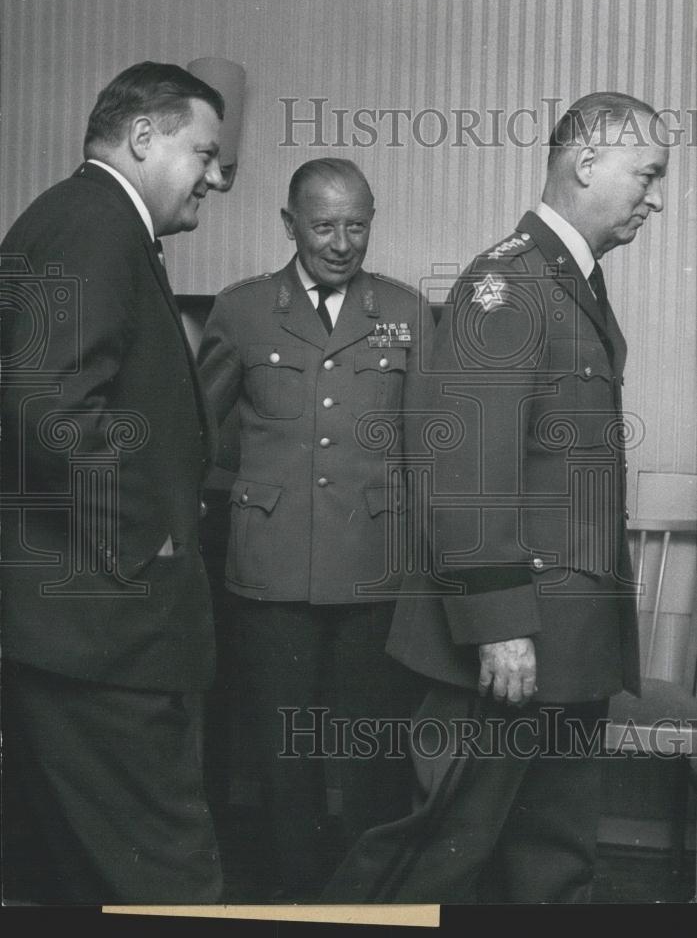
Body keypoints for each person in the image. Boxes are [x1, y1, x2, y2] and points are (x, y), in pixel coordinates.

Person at [322, 92, 670, 903]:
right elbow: (462, 472)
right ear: (586, 164)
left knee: (550, 864)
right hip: (513, 643)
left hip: (567, 636)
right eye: (647, 174)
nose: (655, 197)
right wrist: (500, 625)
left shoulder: (566, 282)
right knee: (433, 857)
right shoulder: (507, 284)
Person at [1, 61, 228, 904]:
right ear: (144, 137)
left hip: (79, 628)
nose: (214, 176)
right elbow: (50, 405)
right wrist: (152, 538)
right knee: (169, 880)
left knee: (83, 880)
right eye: (204, 152)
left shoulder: (80, 220)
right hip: (107, 631)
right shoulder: (97, 222)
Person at [197, 158, 434, 901]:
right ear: (289, 224)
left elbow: (427, 444)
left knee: (373, 754)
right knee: (282, 753)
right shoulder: (240, 312)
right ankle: (295, 895)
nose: (341, 242)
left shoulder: (403, 310)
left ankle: (367, 900)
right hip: (269, 571)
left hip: (373, 569)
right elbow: (197, 441)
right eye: (324, 225)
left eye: (355, 225)